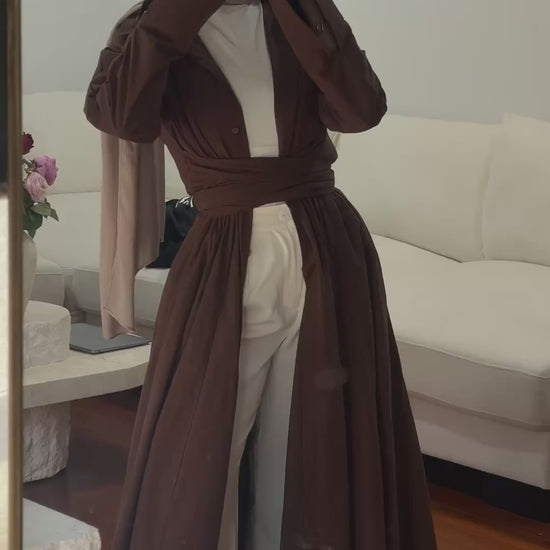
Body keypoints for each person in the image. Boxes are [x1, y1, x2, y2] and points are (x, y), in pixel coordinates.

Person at [84, 1, 439, 549]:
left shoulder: (295, 14)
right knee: (199, 456)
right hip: (222, 260)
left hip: (329, 252)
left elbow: (363, 109)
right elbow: (115, 113)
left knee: (309, 452)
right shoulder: (151, 24)